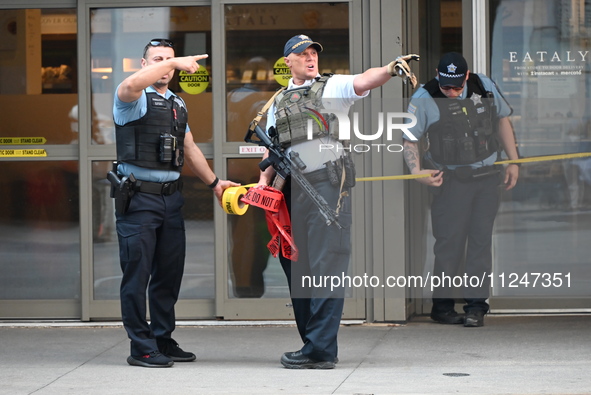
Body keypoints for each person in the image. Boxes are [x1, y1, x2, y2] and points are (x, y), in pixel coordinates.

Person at [256, 34, 418, 369]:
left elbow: (363, 80)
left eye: (314, 52)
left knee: (327, 268)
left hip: (326, 188)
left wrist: (389, 69)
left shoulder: (330, 88)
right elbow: (272, 149)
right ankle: (311, 343)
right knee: (297, 269)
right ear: (288, 61)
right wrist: (263, 185)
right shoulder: (278, 101)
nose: (310, 57)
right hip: (290, 191)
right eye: (303, 53)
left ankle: (320, 350)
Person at [112, 38, 238, 368]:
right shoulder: (132, 97)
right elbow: (129, 84)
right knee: (137, 275)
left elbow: (191, 147)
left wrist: (214, 183)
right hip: (139, 200)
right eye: (158, 59)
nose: (166, 65)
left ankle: (162, 340)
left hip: (171, 200)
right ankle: (140, 346)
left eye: (169, 60)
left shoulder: (177, 104)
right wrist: (174, 61)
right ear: (144, 64)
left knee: (169, 274)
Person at [402, 52, 519, 327]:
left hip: (487, 177)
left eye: (457, 86)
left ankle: (476, 307)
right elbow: (409, 139)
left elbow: (502, 120)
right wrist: (417, 173)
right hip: (450, 180)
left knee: (480, 242)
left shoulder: (484, 86)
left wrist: (514, 161)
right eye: (446, 87)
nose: (452, 93)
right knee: (448, 244)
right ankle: (442, 307)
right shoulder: (424, 97)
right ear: (437, 75)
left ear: (466, 76)